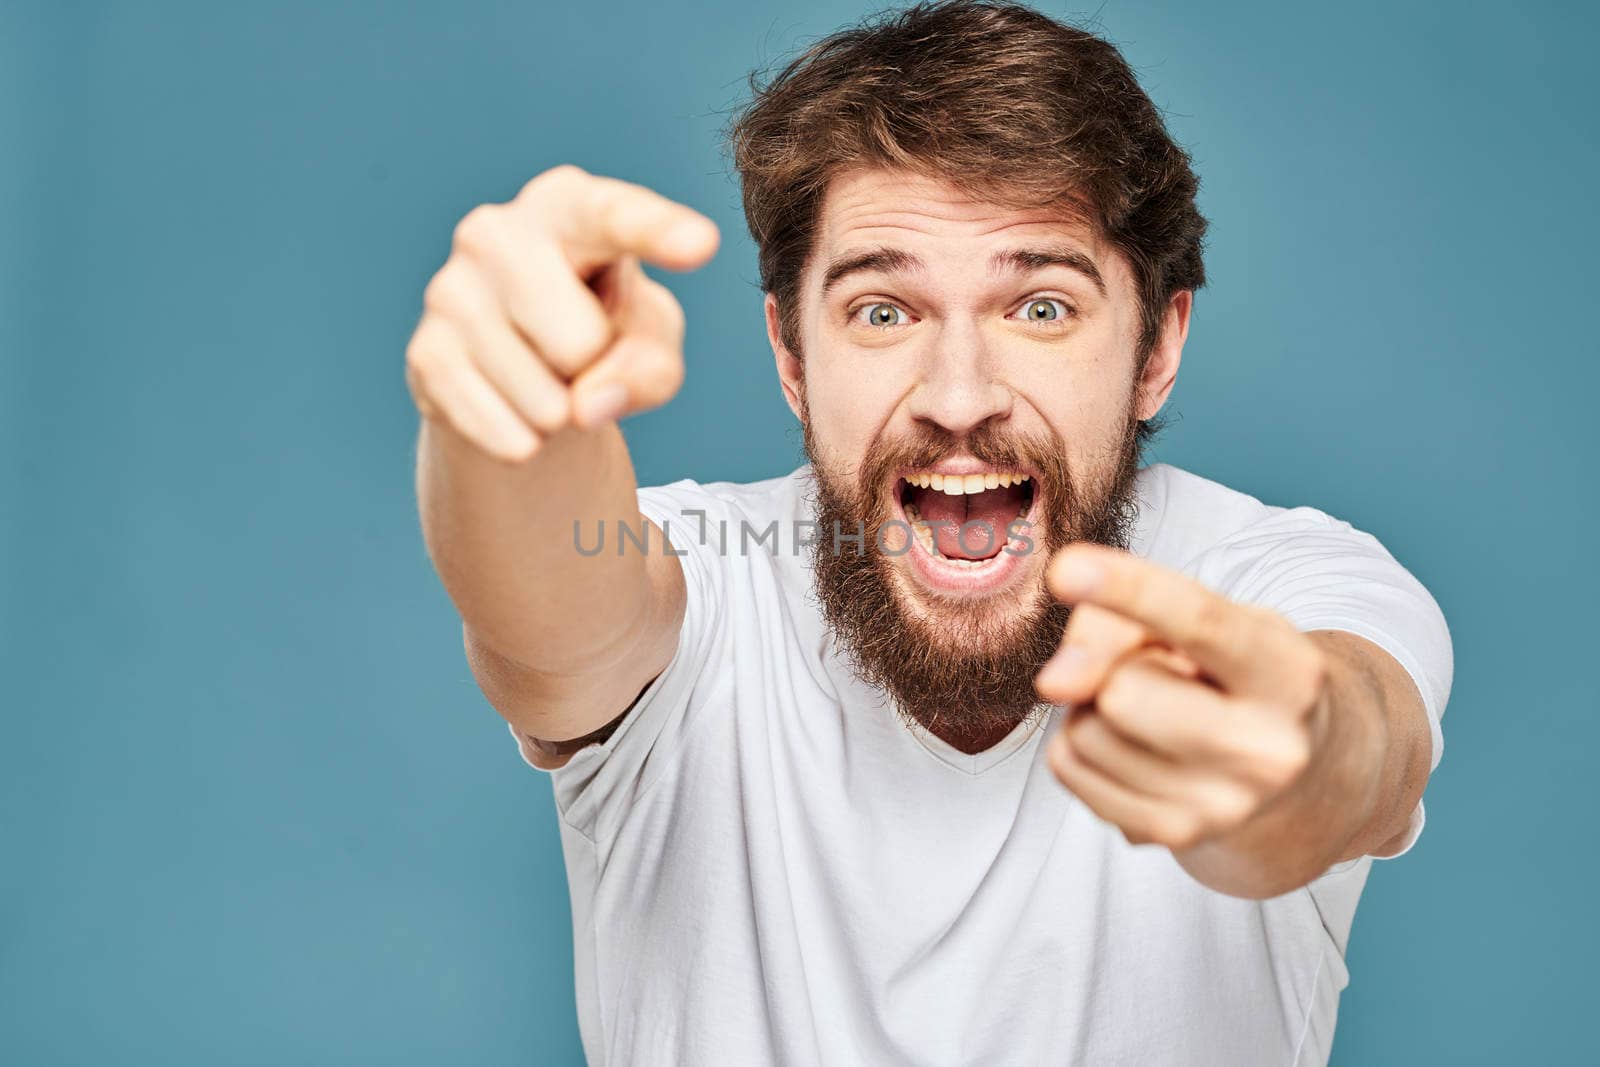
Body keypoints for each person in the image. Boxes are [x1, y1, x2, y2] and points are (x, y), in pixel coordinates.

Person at [408, 2, 1452, 1062]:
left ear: (1154, 350)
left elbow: (1363, 742)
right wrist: (507, 417)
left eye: (1040, 307)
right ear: (792, 355)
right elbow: (550, 616)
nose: (959, 396)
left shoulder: (1281, 577)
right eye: (883, 311)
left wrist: (1296, 762)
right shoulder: (704, 592)